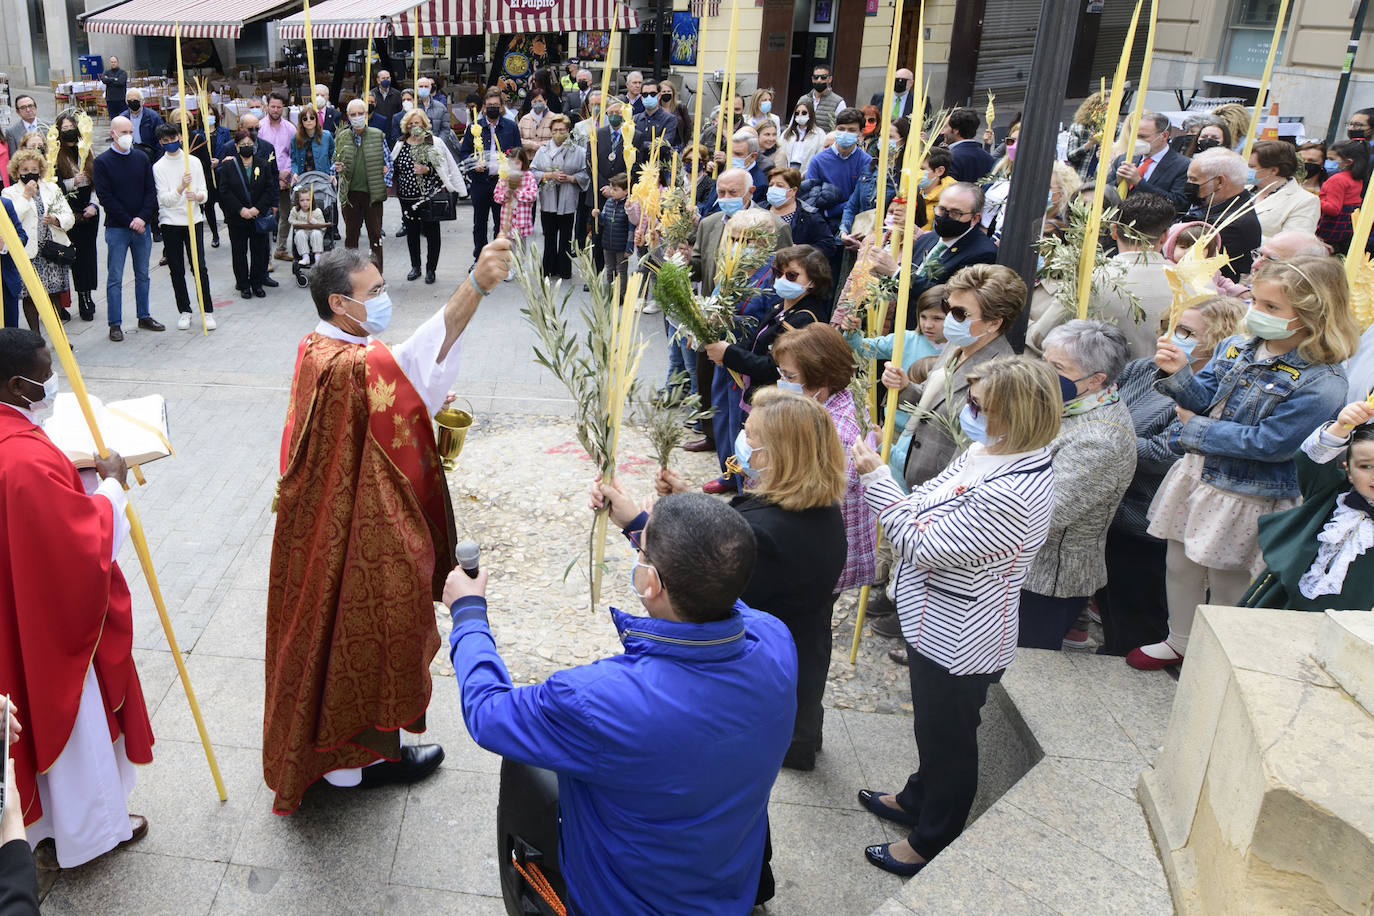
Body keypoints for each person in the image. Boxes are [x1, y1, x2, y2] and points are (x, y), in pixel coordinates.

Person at [460, 481, 795, 914]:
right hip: (727, 882)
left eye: (642, 558)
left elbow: (488, 714)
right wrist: (639, 525)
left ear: (650, 582)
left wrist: (468, 613)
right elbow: (717, 588)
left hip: (622, 901)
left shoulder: (599, 700)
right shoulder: (777, 643)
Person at [265, 239, 510, 814]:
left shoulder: (317, 347)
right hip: (358, 528)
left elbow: (395, 378)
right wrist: (474, 286)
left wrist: (417, 398)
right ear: (338, 302)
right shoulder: (352, 364)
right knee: (378, 623)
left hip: (327, 522)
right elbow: (411, 361)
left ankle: (337, 758)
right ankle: (368, 762)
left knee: (330, 633)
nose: (383, 298)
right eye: (373, 292)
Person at [852, 354, 1061, 876]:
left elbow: (922, 544)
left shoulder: (1015, 489)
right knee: (932, 728)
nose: (968, 412)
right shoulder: (986, 452)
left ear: (1014, 416)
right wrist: (902, 497)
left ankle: (932, 838)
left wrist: (878, 481)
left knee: (950, 742)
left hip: (963, 634)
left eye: (978, 405)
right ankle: (916, 798)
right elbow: (925, 499)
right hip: (933, 619)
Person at [1128, 256, 1358, 670]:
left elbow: (1272, 444)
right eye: (1257, 301)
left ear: (1312, 315)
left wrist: (1194, 430)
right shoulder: (1235, 346)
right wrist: (1181, 376)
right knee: (1180, 561)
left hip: (1249, 491)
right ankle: (1179, 639)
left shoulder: (1322, 381)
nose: (1258, 313)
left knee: (1227, 576)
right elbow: (1205, 397)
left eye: (1273, 309)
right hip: (1200, 474)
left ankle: (1214, 657)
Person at [0, 328, 155, 865]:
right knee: (71, 718)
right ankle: (90, 834)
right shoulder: (21, 458)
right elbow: (78, 545)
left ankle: (37, 829)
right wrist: (111, 484)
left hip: (12, 605)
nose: (52, 385)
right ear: (19, 385)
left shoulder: (11, 438)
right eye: (46, 375)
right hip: (50, 620)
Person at [653, 388, 845, 779]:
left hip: (763, 673)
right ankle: (800, 740)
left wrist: (650, 528)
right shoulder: (816, 504)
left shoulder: (768, 532)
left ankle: (791, 748)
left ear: (779, 454)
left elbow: (714, 581)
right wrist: (692, 506)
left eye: (751, 434)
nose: (742, 438)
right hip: (804, 643)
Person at [1096, 296, 1247, 656]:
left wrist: (1107, 439)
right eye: (1170, 327)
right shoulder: (1144, 368)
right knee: (1111, 609)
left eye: (1185, 332)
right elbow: (1103, 407)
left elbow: (1167, 452)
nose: (1169, 338)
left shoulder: (1212, 395)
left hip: (1146, 519)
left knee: (1139, 616)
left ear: (1218, 341)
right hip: (1109, 509)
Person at [1018, 321, 1135, 649]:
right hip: (1027, 568)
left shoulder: (1100, 441)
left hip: (1046, 579)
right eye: (1044, 359)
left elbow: (1045, 514)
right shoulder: (1072, 403)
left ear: (1096, 380)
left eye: (1056, 367)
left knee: (1021, 670)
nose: (1043, 372)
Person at [772, 323, 878, 598]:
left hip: (819, 552)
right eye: (780, 373)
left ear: (821, 379)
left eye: (789, 376)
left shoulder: (837, 432)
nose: (781, 382)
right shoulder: (827, 403)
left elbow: (822, 494)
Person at [1242, 401, 1374, 611]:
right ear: (1348, 470)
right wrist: (1342, 426)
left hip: (1351, 623)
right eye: (1365, 466)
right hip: (1283, 600)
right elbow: (1311, 460)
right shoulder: (1333, 492)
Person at [1028, 192, 1176, 360]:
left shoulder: (1089, 280)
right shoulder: (1196, 284)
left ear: (1113, 231)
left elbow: (1040, 337)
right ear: (1165, 236)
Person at [93, 116, 162, 341]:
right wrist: (129, 220)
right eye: (123, 132)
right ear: (113, 133)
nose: (128, 136)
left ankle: (144, 315)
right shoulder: (102, 162)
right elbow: (105, 197)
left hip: (142, 227)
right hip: (117, 228)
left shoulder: (141, 158)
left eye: (130, 131)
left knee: (143, 274)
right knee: (115, 277)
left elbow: (150, 191)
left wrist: (142, 219)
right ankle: (115, 323)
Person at [896, 182, 998, 318]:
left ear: (975, 219)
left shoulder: (983, 253)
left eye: (955, 213)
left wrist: (896, 273)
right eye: (942, 209)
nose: (945, 217)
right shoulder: (926, 240)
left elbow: (947, 297)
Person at [151, 123, 214, 331]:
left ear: (179, 137)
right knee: (176, 269)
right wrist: (180, 187)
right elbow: (165, 200)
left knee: (200, 267)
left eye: (173, 139)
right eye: (166, 141)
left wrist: (196, 196)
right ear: (161, 142)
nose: (171, 143)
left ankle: (207, 310)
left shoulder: (193, 162)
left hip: (193, 221)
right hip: (170, 223)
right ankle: (185, 311)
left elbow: (204, 193)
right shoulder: (159, 167)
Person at [3, 150, 73, 330]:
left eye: (34, 168)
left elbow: (69, 216)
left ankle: (59, 335)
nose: (30, 172)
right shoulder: (9, 192)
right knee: (30, 296)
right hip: (29, 253)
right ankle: (36, 337)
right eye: (25, 169)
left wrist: (56, 220)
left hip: (52, 250)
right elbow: (10, 219)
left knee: (55, 294)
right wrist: (26, 196)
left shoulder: (52, 188)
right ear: (17, 172)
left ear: (40, 170)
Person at [391, 109, 462, 284]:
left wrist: (427, 170)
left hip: (429, 197)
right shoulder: (400, 143)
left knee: (432, 232)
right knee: (412, 232)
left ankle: (431, 269)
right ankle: (416, 266)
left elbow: (443, 169)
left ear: (424, 124)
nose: (414, 126)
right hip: (406, 197)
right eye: (411, 123)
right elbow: (394, 167)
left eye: (417, 123)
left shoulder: (433, 143)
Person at [457, 89, 522, 264]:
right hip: (480, 182)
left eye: (496, 105)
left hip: (502, 183)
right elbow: (464, 153)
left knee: (501, 224)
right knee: (479, 223)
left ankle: (498, 259)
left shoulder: (510, 127)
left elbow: (519, 152)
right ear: (484, 108)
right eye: (489, 105)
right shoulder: (474, 128)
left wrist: (511, 164)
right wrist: (473, 165)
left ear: (501, 107)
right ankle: (479, 258)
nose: (492, 108)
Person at [1184, 147, 1263, 280]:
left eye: (1194, 180)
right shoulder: (1207, 203)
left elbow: (1186, 257)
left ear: (1219, 182)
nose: (1188, 184)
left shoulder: (1233, 224)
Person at [216, 127, 276, 299]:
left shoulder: (263, 164)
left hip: (258, 215)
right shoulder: (228, 165)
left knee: (259, 251)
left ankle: (257, 283)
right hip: (237, 217)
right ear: (236, 146)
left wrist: (257, 209)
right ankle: (243, 284)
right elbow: (225, 191)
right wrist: (241, 209)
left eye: (250, 144)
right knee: (239, 252)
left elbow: (268, 189)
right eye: (243, 144)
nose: (246, 147)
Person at [51, 112, 99, 321]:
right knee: (69, 257)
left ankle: (86, 296)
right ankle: (61, 303)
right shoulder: (55, 156)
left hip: (88, 211)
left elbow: (99, 184)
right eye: (65, 128)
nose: (69, 130)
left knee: (87, 259)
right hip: (67, 214)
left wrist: (94, 205)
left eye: (72, 126)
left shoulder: (86, 151)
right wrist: (71, 182)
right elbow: (52, 186)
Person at [333, 99, 388, 271]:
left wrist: (383, 180)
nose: (357, 117)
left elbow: (389, 163)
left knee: (375, 235)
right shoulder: (342, 137)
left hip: (372, 193)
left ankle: (377, 272)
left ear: (366, 114)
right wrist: (336, 168)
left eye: (360, 113)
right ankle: (351, 274)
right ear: (348, 117)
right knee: (351, 236)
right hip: (350, 195)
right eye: (353, 114)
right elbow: (334, 163)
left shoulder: (377, 134)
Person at [531, 115, 589, 280]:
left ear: (568, 131)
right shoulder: (542, 150)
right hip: (548, 198)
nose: (558, 133)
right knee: (549, 235)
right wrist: (548, 175)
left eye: (562, 130)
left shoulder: (578, 151)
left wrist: (571, 178)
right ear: (550, 131)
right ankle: (548, 267)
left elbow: (586, 173)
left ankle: (564, 269)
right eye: (555, 130)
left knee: (565, 236)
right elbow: (533, 171)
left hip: (568, 198)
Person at [839, 118, 908, 247]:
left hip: (883, 245)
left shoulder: (905, 176)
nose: (884, 140)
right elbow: (852, 206)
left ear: (902, 141)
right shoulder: (869, 169)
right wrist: (844, 232)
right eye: (882, 136)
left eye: (890, 137)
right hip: (858, 236)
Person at [1111, 112, 1192, 212]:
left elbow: (1178, 203)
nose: (1137, 141)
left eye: (1143, 137)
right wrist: (1117, 183)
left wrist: (1139, 183)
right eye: (1135, 136)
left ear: (1164, 136)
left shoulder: (1183, 165)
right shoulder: (1124, 159)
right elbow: (1105, 190)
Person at [804, 108, 872, 226]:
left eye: (851, 130)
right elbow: (809, 198)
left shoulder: (866, 162)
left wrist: (830, 212)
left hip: (854, 223)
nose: (845, 133)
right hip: (821, 223)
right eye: (841, 129)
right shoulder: (818, 161)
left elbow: (861, 199)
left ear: (861, 132)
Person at [1250, 139, 1319, 239]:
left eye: (1251, 167)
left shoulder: (1305, 201)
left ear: (1274, 170)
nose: (1245, 170)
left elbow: (1292, 244)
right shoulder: (1243, 188)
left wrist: (1242, 236)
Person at [764, 167, 836, 260]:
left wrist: (800, 251)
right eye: (771, 185)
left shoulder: (809, 215)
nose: (773, 189)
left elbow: (828, 246)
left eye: (780, 186)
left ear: (793, 190)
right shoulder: (760, 209)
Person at [1317, 139, 1367, 256]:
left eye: (1331, 159)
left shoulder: (1337, 180)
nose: (1327, 162)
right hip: (1344, 233)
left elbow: (1333, 209)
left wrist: (1313, 199)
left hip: (1328, 231)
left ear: (1348, 162)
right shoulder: (1356, 179)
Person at [597, 173, 631, 293]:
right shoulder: (609, 202)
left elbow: (631, 228)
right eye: (611, 188)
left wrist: (629, 247)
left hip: (621, 245)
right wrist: (598, 216)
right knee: (609, 269)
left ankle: (621, 294)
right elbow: (604, 221)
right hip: (608, 243)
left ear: (626, 191)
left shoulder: (628, 205)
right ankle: (610, 292)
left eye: (615, 189)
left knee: (621, 270)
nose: (612, 191)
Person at [942, 107, 994, 182]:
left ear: (956, 130)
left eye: (945, 127)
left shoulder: (949, 158)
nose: (942, 132)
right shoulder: (988, 158)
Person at [1065, 90, 1106, 180]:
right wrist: (1089, 144)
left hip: (1101, 181)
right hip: (1080, 178)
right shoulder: (1078, 127)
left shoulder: (1117, 128)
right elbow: (1071, 156)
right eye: (1104, 105)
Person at [779, 98, 826, 175]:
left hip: (807, 170)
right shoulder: (787, 132)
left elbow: (820, 155)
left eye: (804, 113)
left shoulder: (819, 134)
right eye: (797, 113)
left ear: (810, 114)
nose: (800, 115)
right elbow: (780, 151)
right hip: (788, 169)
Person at [117, 88, 164, 164]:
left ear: (142, 101)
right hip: (128, 155)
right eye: (130, 101)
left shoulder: (153, 117)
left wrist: (157, 162)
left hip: (149, 155)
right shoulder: (122, 118)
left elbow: (160, 141)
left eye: (135, 101)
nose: (133, 103)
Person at [288, 188, 326, 266]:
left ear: (312, 200)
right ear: (298, 201)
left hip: (315, 230)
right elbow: (291, 220)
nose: (305, 202)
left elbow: (323, 225)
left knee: (316, 234)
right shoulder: (295, 210)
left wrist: (313, 221)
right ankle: (305, 257)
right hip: (302, 230)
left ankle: (317, 257)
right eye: (302, 200)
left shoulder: (317, 211)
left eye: (308, 200)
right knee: (299, 234)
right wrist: (303, 223)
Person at [804, 63, 847, 132]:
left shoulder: (838, 102)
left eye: (823, 77)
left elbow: (843, 127)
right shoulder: (803, 99)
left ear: (830, 79)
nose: (819, 80)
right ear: (812, 79)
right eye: (816, 77)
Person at [518, 88, 556, 156]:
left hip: (548, 158)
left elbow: (557, 139)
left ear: (546, 101)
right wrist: (531, 145)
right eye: (535, 101)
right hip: (528, 159)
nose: (537, 104)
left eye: (540, 101)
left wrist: (540, 145)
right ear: (531, 102)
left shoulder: (554, 118)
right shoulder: (524, 119)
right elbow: (517, 139)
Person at [100, 58, 128, 126]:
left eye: (114, 62)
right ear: (110, 63)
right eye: (112, 62)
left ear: (117, 62)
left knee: (124, 119)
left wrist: (109, 80)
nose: (113, 63)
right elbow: (103, 80)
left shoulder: (123, 72)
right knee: (113, 120)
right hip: (110, 100)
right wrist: (114, 79)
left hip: (121, 99)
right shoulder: (106, 72)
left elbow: (121, 82)